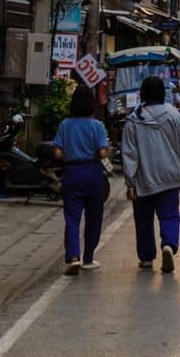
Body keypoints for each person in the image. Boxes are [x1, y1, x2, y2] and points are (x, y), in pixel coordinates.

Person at [121, 75, 180, 272]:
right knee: (169, 215)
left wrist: (130, 182)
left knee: (143, 218)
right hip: (170, 177)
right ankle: (168, 245)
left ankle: (146, 258)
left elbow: (129, 154)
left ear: (142, 94)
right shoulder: (174, 115)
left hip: (144, 178)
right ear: (163, 93)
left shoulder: (134, 119)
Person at [53, 87, 110, 274]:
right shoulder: (97, 126)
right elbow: (102, 152)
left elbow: (57, 153)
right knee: (94, 218)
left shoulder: (64, 125)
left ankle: (73, 256)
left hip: (72, 172)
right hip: (93, 172)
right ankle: (88, 258)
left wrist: (72, 152)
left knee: (72, 218)